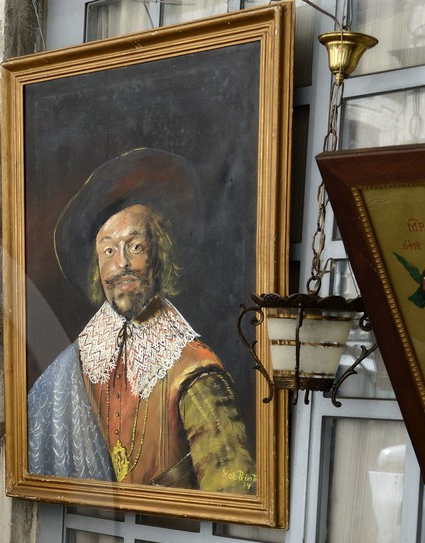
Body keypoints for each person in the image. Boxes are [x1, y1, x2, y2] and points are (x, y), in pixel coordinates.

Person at [26, 148, 255, 493]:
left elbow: (232, 493)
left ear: (160, 252)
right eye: (108, 251)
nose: (122, 264)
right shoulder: (78, 363)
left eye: (135, 246)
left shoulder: (196, 371)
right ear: (97, 267)